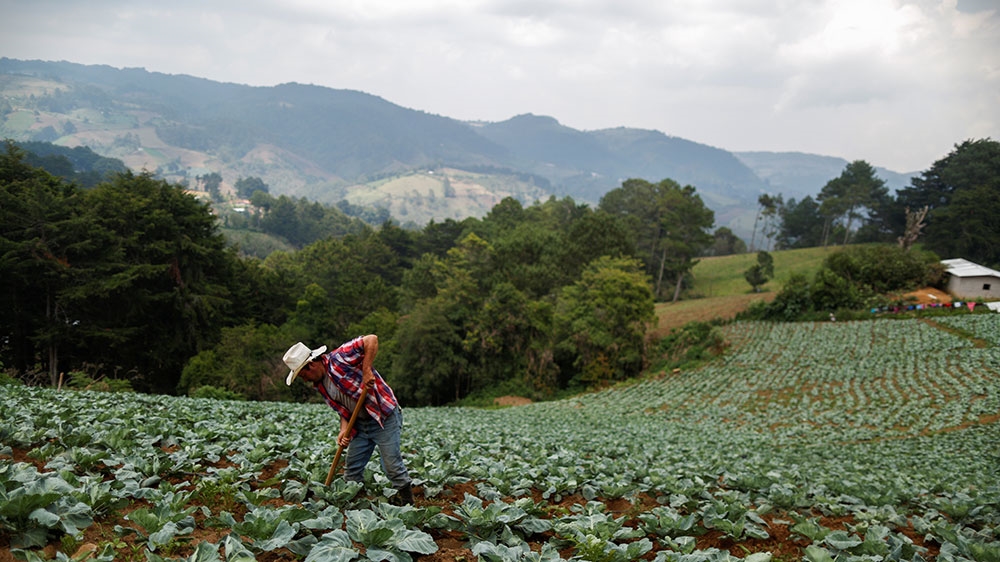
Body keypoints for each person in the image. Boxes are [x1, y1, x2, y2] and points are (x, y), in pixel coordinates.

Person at [283, 334, 413, 504]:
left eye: (303, 375)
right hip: (360, 425)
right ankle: (354, 504)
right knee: (351, 470)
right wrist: (343, 429)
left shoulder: (340, 358)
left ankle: (407, 502)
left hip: (383, 418)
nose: (305, 380)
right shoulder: (321, 385)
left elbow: (371, 339)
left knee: (392, 466)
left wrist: (367, 370)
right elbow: (344, 409)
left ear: (311, 365)